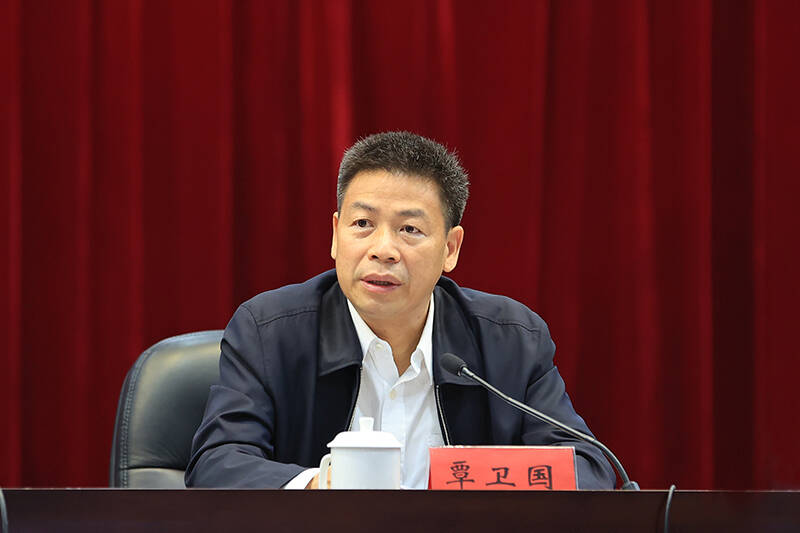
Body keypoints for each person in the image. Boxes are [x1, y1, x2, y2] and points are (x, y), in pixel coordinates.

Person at [185, 131, 615, 489]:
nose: (383, 249)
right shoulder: (269, 331)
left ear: (450, 248)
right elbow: (218, 462)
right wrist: (322, 488)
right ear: (335, 234)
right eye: (362, 224)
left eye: (409, 229)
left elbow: (587, 466)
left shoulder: (512, 340)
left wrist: (478, 493)